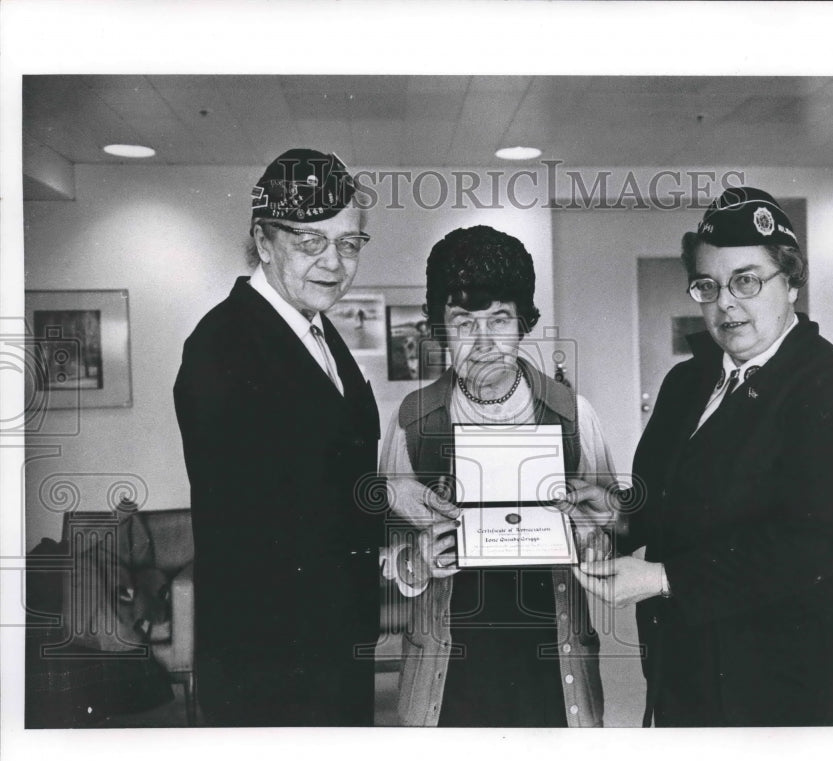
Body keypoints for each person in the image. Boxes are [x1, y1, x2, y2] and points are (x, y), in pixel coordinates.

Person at [573, 187, 833, 726]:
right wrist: (621, 512)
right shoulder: (685, 382)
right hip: (693, 657)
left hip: (797, 670)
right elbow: (678, 493)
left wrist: (663, 579)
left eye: (747, 280)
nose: (725, 303)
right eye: (708, 285)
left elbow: (815, 540)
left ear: (791, 282)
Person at [173, 148, 381, 726]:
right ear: (264, 242)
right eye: (311, 241)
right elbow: (265, 518)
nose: (333, 263)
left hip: (332, 640)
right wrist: (390, 507)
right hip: (270, 663)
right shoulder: (224, 345)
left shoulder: (317, 331)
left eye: (349, 243)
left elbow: (329, 467)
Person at [379, 225, 616, 727]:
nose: (484, 342)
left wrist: (596, 539)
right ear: (440, 328)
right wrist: (415, 562)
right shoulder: (412, 421)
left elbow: (615, 530)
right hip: (448, 675)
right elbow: (383, 554)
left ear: (524, 323)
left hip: (554, 666)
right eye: (464, 322)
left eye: (500, 319)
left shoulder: (574, 415)